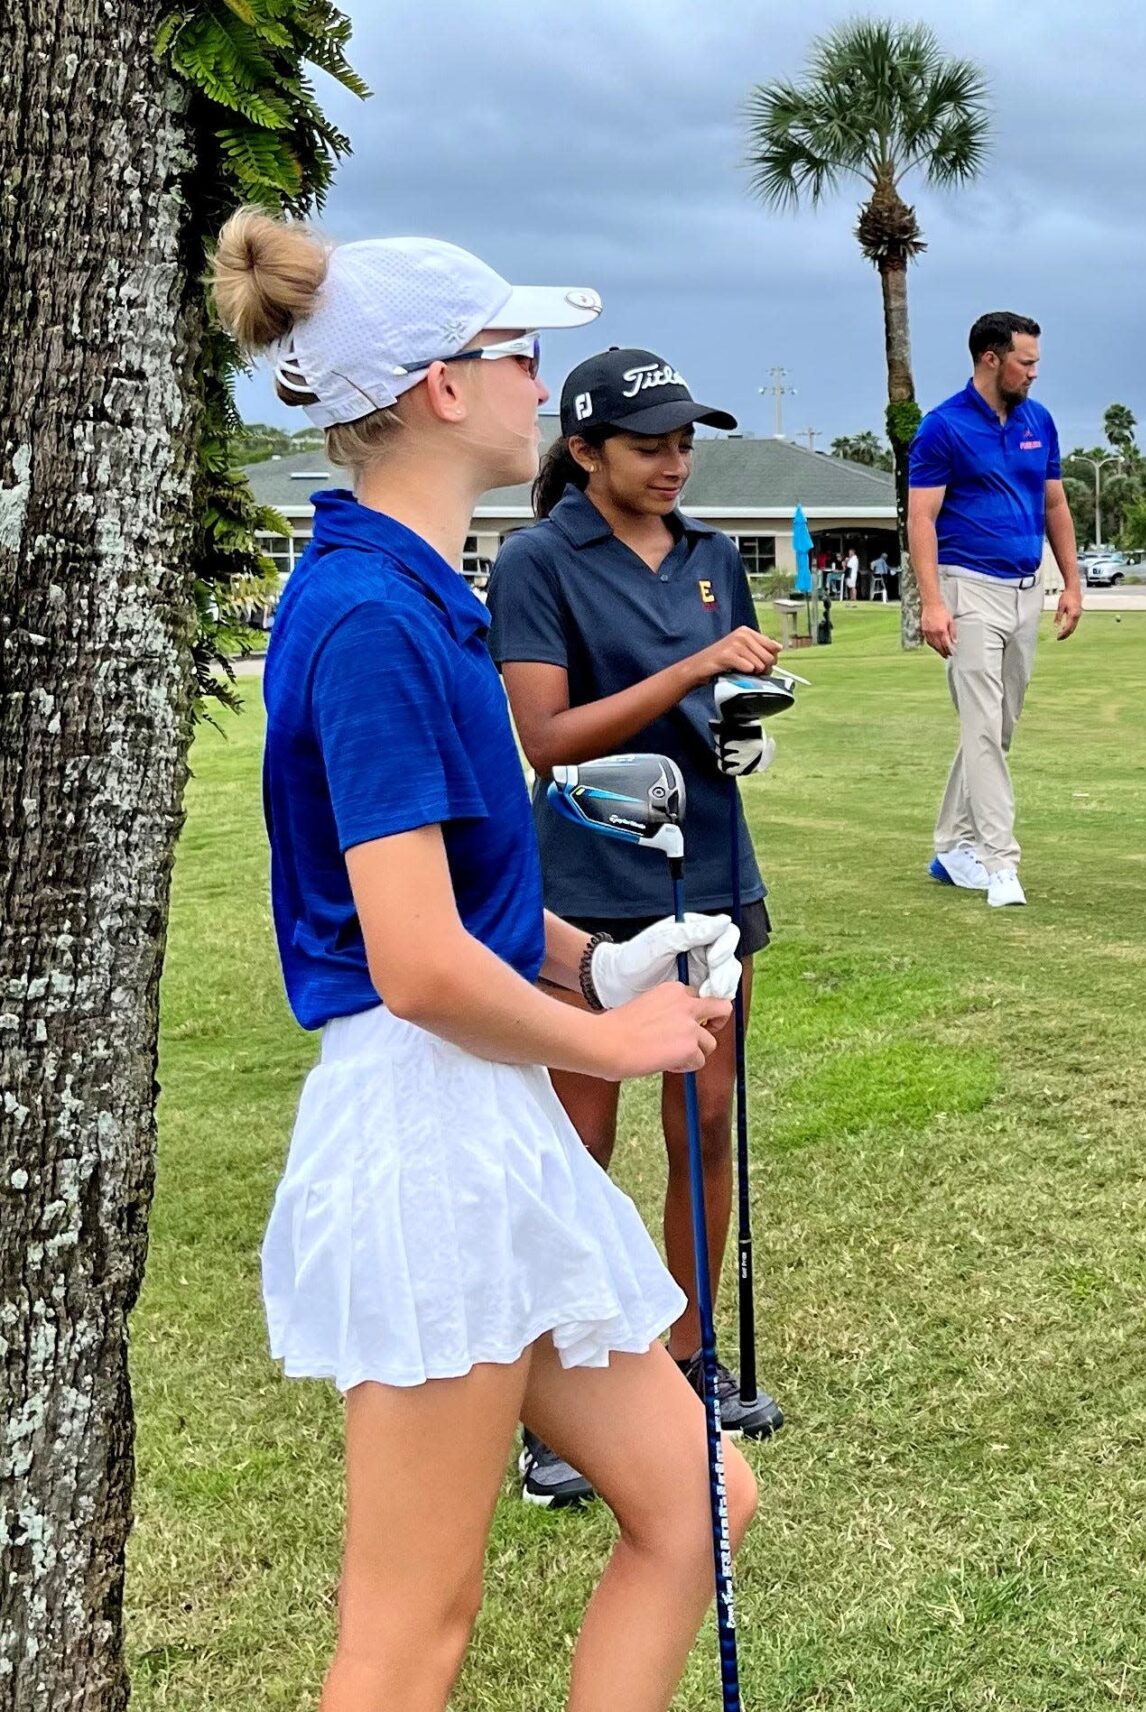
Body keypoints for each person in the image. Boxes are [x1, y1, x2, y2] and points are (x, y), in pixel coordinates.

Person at [215, 210, 756, 1711]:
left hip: (481, 1127)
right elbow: (415, 962)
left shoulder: (425, 596)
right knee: (406, 1644)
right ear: (443, 388)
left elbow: (480, 913)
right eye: (524, 354)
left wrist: (605, 966)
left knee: (702, 1501)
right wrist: (613, 1048)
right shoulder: (370, 617)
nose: (544, 385)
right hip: (425, 1135)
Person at [485, 348, 785, 1507]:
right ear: (586, 451)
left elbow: (722, 705)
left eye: (682, 442)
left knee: (706, 1120)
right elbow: (548, 740)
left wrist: (740, 718)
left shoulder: (713, 555)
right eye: (649, 443)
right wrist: (695, 665)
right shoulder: (536, 560)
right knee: (582, 1139)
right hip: (585, 883)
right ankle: (562, 1393)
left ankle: (683, 1362)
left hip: (710, 860)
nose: (674, 462)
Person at [909, 310, 1083, 908]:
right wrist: (932, 604)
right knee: (982, 724)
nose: (1034, 372)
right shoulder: (942, 428)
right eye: (1025, 361)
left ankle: (951, 845)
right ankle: (998, 862)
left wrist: (1073, 583)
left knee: (997, 728)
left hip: (1027, 588)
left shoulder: (1040, 421)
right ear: (991, 359)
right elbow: (921, 520)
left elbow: (1055, 504)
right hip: (967, 589)